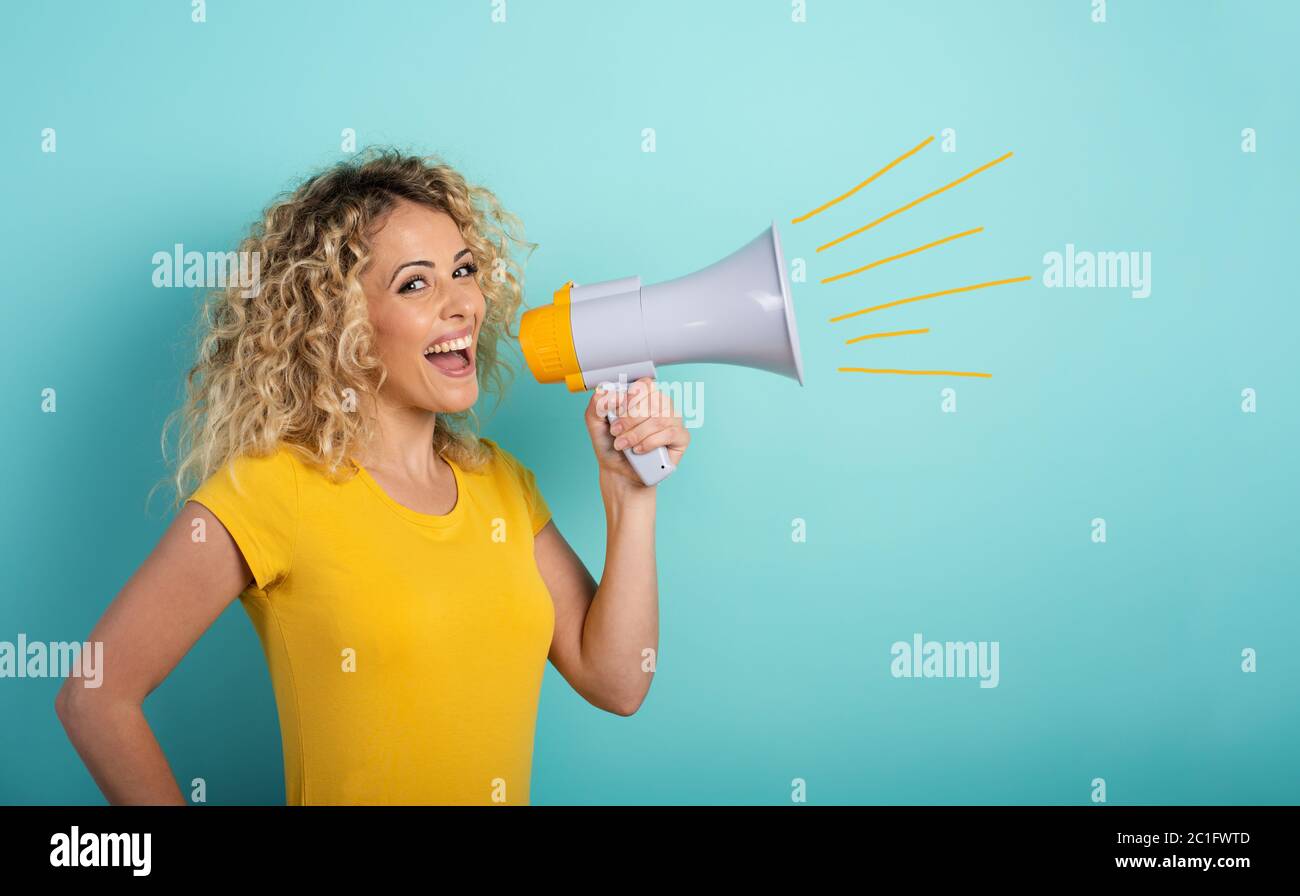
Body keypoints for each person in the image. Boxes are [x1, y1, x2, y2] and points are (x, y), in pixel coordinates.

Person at [54, 147, 690, 805]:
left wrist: (630, 496)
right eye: (415, 283)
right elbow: (95, 696)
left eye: (464, 271)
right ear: (340, 325)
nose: (463, 305)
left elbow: (617, 682)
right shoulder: (274, 489)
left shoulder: (501, 485)